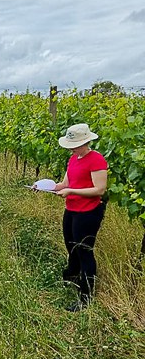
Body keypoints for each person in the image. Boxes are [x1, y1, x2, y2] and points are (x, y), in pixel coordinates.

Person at [53, 123, 108, 311]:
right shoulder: (74, 158)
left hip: (88, 213)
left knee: (84, 251)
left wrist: (70, 191)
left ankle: (85, 298)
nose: (71, 148)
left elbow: (99, 189)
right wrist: (48, 186)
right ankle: (73, 278)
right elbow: (65, 183)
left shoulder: (96, 160)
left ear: (86, 142)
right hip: (72, 209)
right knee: (71, 245)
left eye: (74, 144)